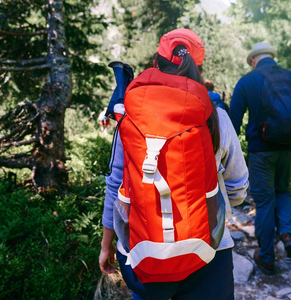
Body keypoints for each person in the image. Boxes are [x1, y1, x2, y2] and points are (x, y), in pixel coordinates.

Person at [99, 28, 249, 300]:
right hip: (208, 253)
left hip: (143, 254)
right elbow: (238, 184)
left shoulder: (130, 117)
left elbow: (115, 183)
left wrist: (106, 243)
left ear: (156, 64)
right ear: (197, 68)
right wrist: (228, 202)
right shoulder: (216, 118)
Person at [229, 42, 291, 275]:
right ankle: (287, 233)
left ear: (253, 60)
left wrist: (229, 157)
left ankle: (266, 257)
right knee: (282, 191)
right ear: (273, 57)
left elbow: (233, 122)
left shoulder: (247, 81)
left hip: (262, 150)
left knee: (264, 201)